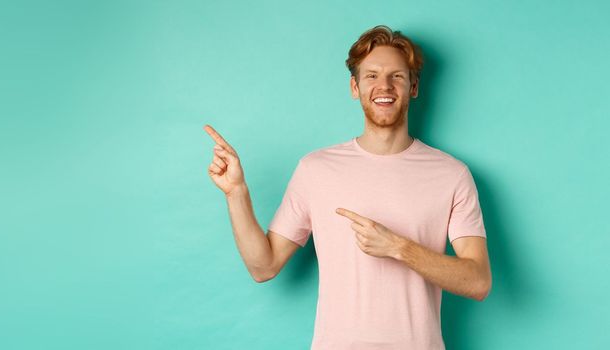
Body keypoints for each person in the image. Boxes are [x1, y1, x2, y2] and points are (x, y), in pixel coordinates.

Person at [203, 25, 492, 350]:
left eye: (397, 76)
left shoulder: (451, 174)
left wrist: (398, 247)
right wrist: (236, 193)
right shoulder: (316, 169)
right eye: (371, 76)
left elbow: (478, 281)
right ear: (355, 86)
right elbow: (263, 266)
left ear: (413, 87)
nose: (384, 86)